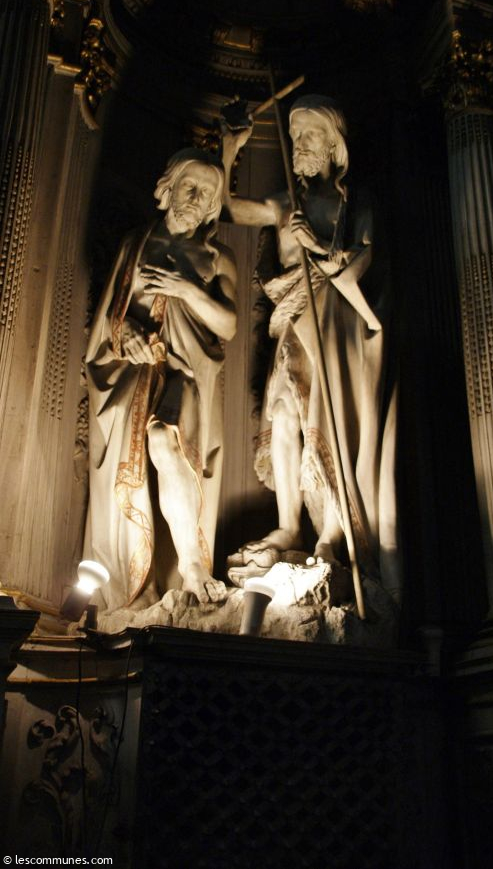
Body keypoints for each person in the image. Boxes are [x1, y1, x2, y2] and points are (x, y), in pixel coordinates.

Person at [222, 95, 400, 602]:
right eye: (295, 136)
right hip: (291, 325)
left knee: (332, 422)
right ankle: (288, 525)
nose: (299, 144)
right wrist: (232, 148)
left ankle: (332, 535)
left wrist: (318, 246)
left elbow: (360, 265)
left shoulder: (354, 204)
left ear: (334, 147)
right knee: (283, 413)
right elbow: (227, 208)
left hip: (335, 329)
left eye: (309, 136)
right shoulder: (284, 204)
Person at [84, 148, 236, 610]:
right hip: (132, 373)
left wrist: (184, 288)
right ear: (168, 188)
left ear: (213, 207)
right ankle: (138, 585)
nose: (196, 199)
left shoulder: (217, 257)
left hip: (186, 371)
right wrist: (123, 332)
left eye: (207, 194)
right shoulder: (137, 243)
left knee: (166, 442)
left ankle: (192, 564)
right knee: (129, 473)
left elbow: (227, 325)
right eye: (190, 187)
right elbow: (109, 315)